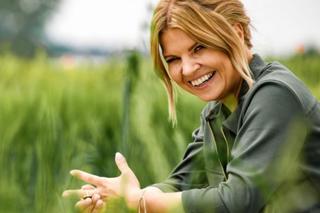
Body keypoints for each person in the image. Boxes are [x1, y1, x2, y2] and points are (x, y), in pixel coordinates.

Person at [62, 0, 320, 212]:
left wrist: (143, 201)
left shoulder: (275, 94)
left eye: (199, 47)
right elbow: (182, 183)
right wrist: (126, 197)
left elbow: (238, 202)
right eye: (174, 59)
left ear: (236, 33)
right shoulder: (215, 113)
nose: (186, 69)